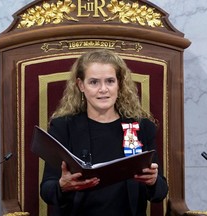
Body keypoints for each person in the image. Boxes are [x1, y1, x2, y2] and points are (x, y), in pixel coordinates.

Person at [40, 49, 168, 216]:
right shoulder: (63, 127)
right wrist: (62, 186)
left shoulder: (142, 127)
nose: (103, 89)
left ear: (119, 84)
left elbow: (160, 192)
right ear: (81, 85)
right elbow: (47, 190)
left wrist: (152, 182)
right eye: (94, 82)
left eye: (109, 81)